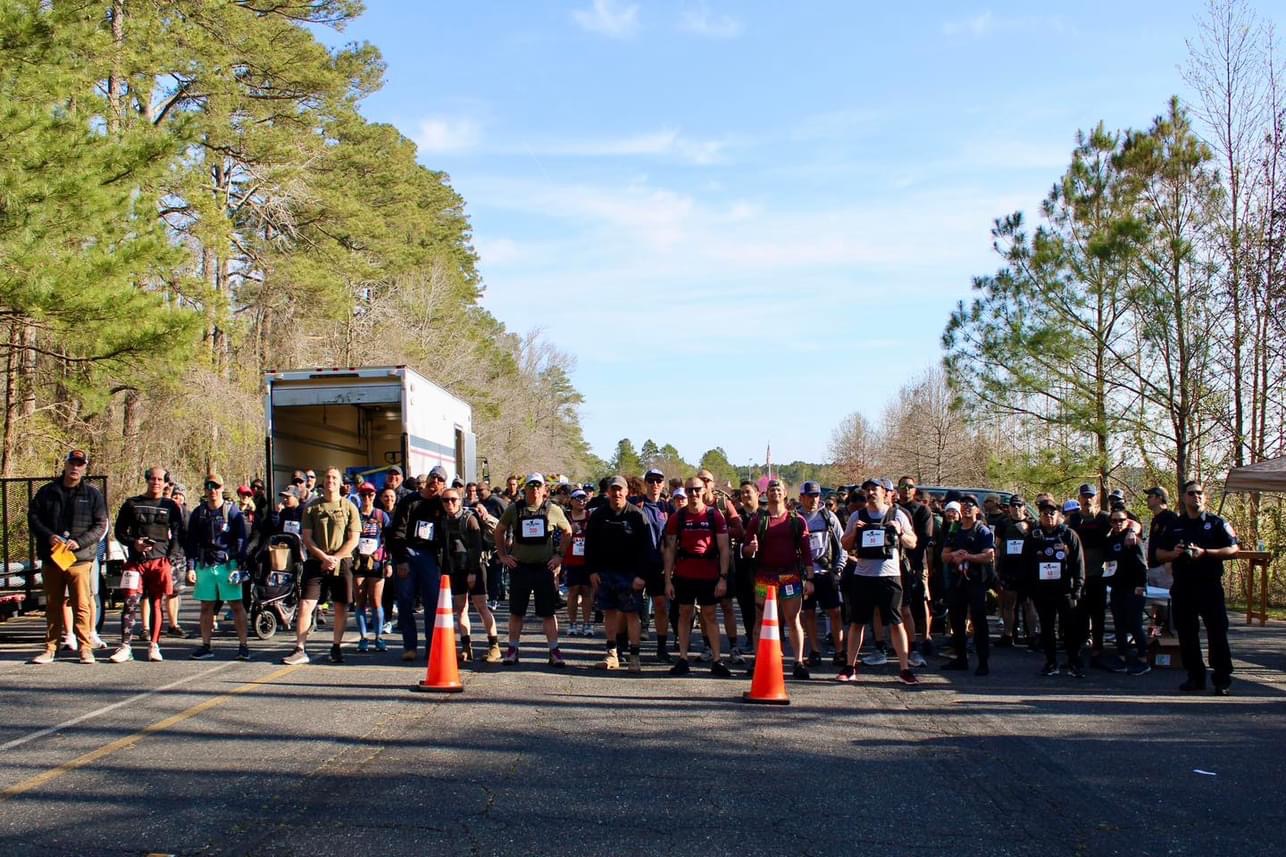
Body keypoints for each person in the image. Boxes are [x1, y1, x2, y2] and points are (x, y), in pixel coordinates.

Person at [1155, 480, 1239, 695]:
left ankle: (1221, 680)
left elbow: (1233, 549)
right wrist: (1174, 553)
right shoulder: (1175, 525)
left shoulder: (1216, 522)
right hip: (1183, 586)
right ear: (1184, 498)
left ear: (1205, 496)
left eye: (1200, 493)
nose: (1196, 497)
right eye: (1191, 493)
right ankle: (1195, 676)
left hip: (1209, 586)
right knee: (1186, 634)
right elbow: (1158, 554)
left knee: (1217, 632)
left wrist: (1206, 553)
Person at [28, 449, 108, 665]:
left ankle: (85, 649)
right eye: (72, 463)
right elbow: (34, 518)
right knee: (53, 604)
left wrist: (79, 542)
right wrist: (49, 536)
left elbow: (100, 525)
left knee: (81, 604)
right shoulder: (47, 492)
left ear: (85, 467)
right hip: (53, 558)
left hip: (80, 559)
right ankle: (50, 649)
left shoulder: (93, 495)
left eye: (80, 464)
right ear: (65, 465)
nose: (75, 468)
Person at [838, 479, 919, 685]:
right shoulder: (857, 515)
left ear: (886, 493)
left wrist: (899, 531)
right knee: (857, 623)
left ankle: (904, 668)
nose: (871, 492)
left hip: (889, 576)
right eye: (868, 490)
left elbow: (913, 542)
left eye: (875, 489)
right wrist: (855, 531)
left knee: (895, 622)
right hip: (864, 576)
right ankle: (850, 667)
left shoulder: (897, 514)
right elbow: (845, 545)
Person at [282, 467, 361, 665]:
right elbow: (307, 538)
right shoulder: (312, 507)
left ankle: (336, 647)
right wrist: (323, 556)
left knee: (341, 606)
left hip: (342, 563)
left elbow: (354, 539)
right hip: (316, 562)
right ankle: (300, 648)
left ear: (340, 483)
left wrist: (336, 558)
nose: (330, 481)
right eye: (327, 477)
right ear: (323, 482)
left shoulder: (349, 507)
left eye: (334, 477)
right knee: (305, 604)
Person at [493, 474, 572, 667]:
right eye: (531, 486)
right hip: (520, 568)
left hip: (544, 568)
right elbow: (499, 530)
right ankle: (512, 650)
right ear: (525, 489)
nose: (535, 490)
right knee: (516, 612)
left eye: (538, 486)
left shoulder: (553, 510)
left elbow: (568, 531)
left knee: (547, 613)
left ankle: (554, 651)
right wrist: (503, 555)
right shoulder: (514, 509)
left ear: (545, 489)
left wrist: (559, 555)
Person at [109, 467, 185, 663]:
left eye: (160, 479)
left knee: (157, 603)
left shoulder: (171, 506)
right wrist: (133, 542)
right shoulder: (131, 504)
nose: (156, 482)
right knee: (129, 602)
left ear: (166, 483)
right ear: (146, 480)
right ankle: (125, 646)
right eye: (152, 478)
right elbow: (119, 531)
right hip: (135, 562)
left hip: (160, 562)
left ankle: (154, 645)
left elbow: (178, 533)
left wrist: (171, 558)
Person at [663, 476, 733, 677]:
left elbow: (724, 549)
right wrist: (668, 580)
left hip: (709, 574)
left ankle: (717, 660)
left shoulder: (714, 516)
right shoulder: (678, 517)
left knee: (709, 616)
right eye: (690, 490)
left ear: (704, 490)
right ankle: (683, 659)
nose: (693, 494)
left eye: (697, 490)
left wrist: (723, 577)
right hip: (684, 575)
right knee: (684, 615)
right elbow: (669, 550)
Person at [742, 479, 812, 680]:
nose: (775, 492)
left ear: (785, 493)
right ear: (766, 493)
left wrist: (810, 578)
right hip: (765, 577)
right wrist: (751, 549)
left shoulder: (797, 520)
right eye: (771, 488)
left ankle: (798, 662)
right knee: (761, 620)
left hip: (790, 576)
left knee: (793, 619)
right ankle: (758, 659)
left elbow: (806, 552)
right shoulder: (758, 519)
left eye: (778, 488)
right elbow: (746, 550)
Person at [585, 476, 652, 672]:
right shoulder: (599, 515)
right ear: (608, 492)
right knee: (610, 613)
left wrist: (642, 575)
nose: (616, 494)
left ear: (627, 492)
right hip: (605, 573)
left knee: (632, 615)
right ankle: (612, 653)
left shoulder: (637, 516)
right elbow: (590, 546)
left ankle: (634, 657)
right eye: (613, 490)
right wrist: (592, 571)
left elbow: (647, 549)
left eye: (620, 490)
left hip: (631, 575)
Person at [387, 465, 450, 663]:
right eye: (434, 478)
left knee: (433, 603)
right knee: (405, 601)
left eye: (440, 480)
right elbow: (397, 532)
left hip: (430, 557)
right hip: (408, 552)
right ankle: (409, 646)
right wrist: (402, 560)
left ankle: (432, 646)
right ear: (428, 479)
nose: (436, 483)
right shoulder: (409, 501)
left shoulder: (442, 504)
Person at [185, 473, 250, 660]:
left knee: (236, 605)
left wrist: (239, 565)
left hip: (228, 565)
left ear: (222, 488)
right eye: (208, 486)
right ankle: (206, 645)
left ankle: (243, 646)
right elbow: (192, 542)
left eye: (216, 486)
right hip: (205, 565)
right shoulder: (199, 513)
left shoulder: (233, 512)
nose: (212, 490)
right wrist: (191, 567)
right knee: (206, 606)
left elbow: (241, 540)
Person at [1024, 495, 1086, 677]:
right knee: (1047, 627)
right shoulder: (1034, 536)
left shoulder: (1068, 535)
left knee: (1070, 627)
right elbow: (1026, 563)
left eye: (1052, 513)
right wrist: (1029, 588)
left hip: (1065, 589)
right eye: (1044, 513)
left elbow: (1079, 562)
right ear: (1040, 516)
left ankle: (1074, 661)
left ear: (1058, 514)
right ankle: (1051, 662)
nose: (1048, 516)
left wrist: (1078, 587)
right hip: (1042, 590)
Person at [442, 486, 501, 664]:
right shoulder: (443, 520)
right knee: (461, 608)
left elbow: (477, 547)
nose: (450, 503)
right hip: (456, 570)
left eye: (453, 499)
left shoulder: (470, 519)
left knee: (482, 607)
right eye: (446, 500)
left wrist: (473, 572)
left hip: (475, 568)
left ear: (460, 501)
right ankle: (466, 647)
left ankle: (494, 646)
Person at [940, 494, 995, 676]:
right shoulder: (955, 529)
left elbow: (989, 555)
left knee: (979, 621)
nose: (966, 507)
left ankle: (983, 662)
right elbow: (944, 556)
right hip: (957, 581)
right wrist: (956, 554)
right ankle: (961, 658)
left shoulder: (982, 531)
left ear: (977, 510)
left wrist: (969, 557)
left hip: (976, 581)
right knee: (956, 619)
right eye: (963, 504)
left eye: (971, 504)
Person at [798, 481, 845, 668]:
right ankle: (815, 651)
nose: (813, 499)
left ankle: (840, 651)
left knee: (834, 612)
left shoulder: (829, 517)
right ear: (802, 497)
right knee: (808, 613)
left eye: (816, 495)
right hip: (805, 575)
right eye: (809, 496)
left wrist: (838, 569)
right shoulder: (796, 518)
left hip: (827, 572)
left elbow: (842, 545)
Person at [1104, 508, 1150, 675]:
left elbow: (1142, 566)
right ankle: (1121, 657)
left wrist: (1141, 586)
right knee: (1119, 625)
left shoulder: (1133, 540)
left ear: (1127, 521)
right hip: (1117, 588)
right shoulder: (1110, 540)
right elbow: (1109, 565)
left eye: (1121, 520)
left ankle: (1143, 659)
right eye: (1114, 521)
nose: (1118, 523)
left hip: (1134, 589)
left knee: (1134, 624)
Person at [897, 476, 936, 662]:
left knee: (921, 600)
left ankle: (926, 637)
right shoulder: (894, 510)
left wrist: (913, 561)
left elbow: (925, 539)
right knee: (902, 604)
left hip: (918, 563)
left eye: (910, 486)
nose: (906, 489)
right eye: (903, 486)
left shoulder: (923, 510)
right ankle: (903, 640)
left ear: (915, 490)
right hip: (896, 564)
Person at [634, 468, 672, 660]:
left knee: (660, 605)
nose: (654, 484)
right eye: (650, 480)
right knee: (631, 607)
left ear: (663, 484)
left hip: (659, 565)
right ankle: (628, 648)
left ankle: (661, 647)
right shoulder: (636, 504)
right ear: (645, 483)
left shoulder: (668, 508)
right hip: (637, 563)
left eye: (658, 480)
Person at [353, 482, 391, 653]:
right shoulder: (354, 515)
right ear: (359, 496)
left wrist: (388, 561)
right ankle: (363, 638)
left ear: (375, 496)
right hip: (359, 563)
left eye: (370, 495)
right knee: (360, 601)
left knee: (376, 601)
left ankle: (379, 637)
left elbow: (389, 540)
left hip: (377, 563)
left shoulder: (381, 515)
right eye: (363, 495)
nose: (367, 498)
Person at [994, 496, 1036, 649]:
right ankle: (1008, 635)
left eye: (1019, 505)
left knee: (1028, 603)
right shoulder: (1003, 523)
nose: (1016, 508)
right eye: (1013, 505)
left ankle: (1032, 636)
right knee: (1008, 603)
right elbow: (997, 545)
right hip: (1008, 567)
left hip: (1026, 569)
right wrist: (996, 565)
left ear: (1024, 507)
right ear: (1009, 507)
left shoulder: (1032, 523)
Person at [562, 489, 593, 637]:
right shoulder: (566, 517)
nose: (581, 501)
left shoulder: (591, 516)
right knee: (573, 591)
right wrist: (570, 531)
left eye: (584, 498)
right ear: (571, 501)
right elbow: (557, 537)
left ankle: (587, 623)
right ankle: (572, 623)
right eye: (578, 498)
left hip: (587, 560)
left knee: (587, 591)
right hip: (571, 560)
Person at [165, 485, 191, 638]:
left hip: (178, 555)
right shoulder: (163, 509)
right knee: (153, 594)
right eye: (175, 495)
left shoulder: (186, 514)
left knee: (174, 592)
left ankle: (173, 624)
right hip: (160, 554)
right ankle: (148, 627)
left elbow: (189, 536)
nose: (177, 498)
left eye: (180, 495)